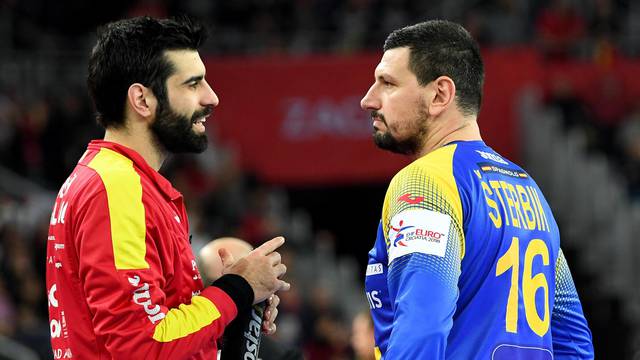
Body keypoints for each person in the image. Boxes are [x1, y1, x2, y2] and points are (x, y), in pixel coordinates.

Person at [45, 16, 289, 359]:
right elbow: (144, 345)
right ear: (142, 100)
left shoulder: (117, 180)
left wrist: (231, 303)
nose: (212, 97)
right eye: (193, 84)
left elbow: (152, 329)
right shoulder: (117, 189)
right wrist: (237, 289)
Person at [360, 20, 594, 359]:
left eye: (388, 83)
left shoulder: (427, 182)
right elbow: (573, 342)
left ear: (440, 94)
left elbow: (422, 330)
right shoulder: (529, 190)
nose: (369, 100)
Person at [199, 237, 304, 360]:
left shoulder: (284, 357)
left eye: (244, 286)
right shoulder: (180, 347)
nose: (232, 297)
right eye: (221, 287)